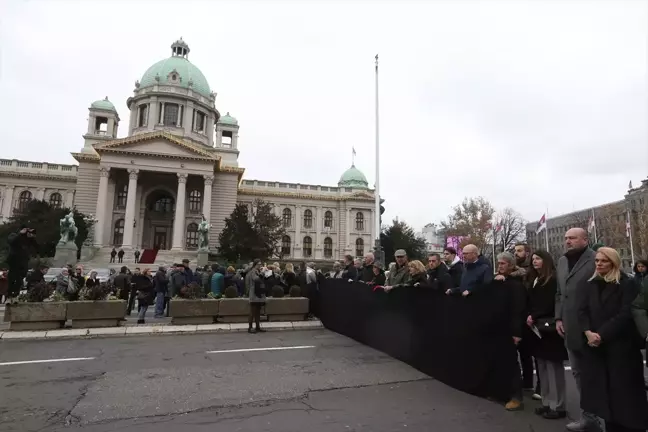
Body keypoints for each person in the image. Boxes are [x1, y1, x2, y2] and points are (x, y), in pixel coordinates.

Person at [578, 247, 648, 432]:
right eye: (597, 260)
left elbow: (626, 313)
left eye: (604, 261)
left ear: (614, 262)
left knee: (625, 395)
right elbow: (582, 310)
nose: (599, 263)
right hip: (597, 348)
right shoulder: (590, 283)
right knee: (605, 395)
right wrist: (587, 332)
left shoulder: (627, 283)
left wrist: (601, 334)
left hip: (621, 346)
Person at [555, 228, 598, 432]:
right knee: (579, 374)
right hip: (569, 327)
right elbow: (559, 293)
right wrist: (558, 318)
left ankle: (605, 416)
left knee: (596, 375)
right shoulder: (563, 261)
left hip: (592, 327)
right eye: (565, 239)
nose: (567, 241)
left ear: (585, 240)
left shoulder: (596, 259)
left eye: (572, 238)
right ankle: (589, 418)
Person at [526, 250, 568, 420]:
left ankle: (558, 405)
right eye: (533, 259)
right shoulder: (535, 279)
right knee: (541, 366)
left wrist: (533, 315)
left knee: (553, 367)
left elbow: (551, 302)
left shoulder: (552, 279)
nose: (535, 262)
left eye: (538, 259)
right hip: (536, 327)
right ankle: (546, 401)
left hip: (549, 327)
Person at [492, 252, 527, 412]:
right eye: (499, 263)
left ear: (511, 265)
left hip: (510, 329)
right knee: (500, 360)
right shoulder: (501, 281)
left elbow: (518, 310)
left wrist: (516, 333)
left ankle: (516, 397)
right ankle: (502, 392)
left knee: (512, 363)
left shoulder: (516, 284)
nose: (500, 266)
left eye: (503, 264)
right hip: (498, 327)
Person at [6, 227, 36, 303]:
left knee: (20, 280)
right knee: (12, 279)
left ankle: (15, 295)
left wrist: (31, 237)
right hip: (14, 261)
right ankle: (9, 296)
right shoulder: (14, 236)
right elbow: (12, 242)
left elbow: (35, 245)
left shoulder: (27, 240)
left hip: (23, 262)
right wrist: (20, 234)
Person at [246, 259, 266, 333]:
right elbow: (256, 279)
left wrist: (263, 273)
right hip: (254, 294)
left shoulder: (258, 271)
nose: (260, 265)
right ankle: (250, 328)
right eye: (259, 264)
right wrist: (262, 273)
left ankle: (258, 327)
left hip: (258, 294)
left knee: (258, 312)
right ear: (255, 264)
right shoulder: (253, 271)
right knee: (252, 312)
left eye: (261, 264)